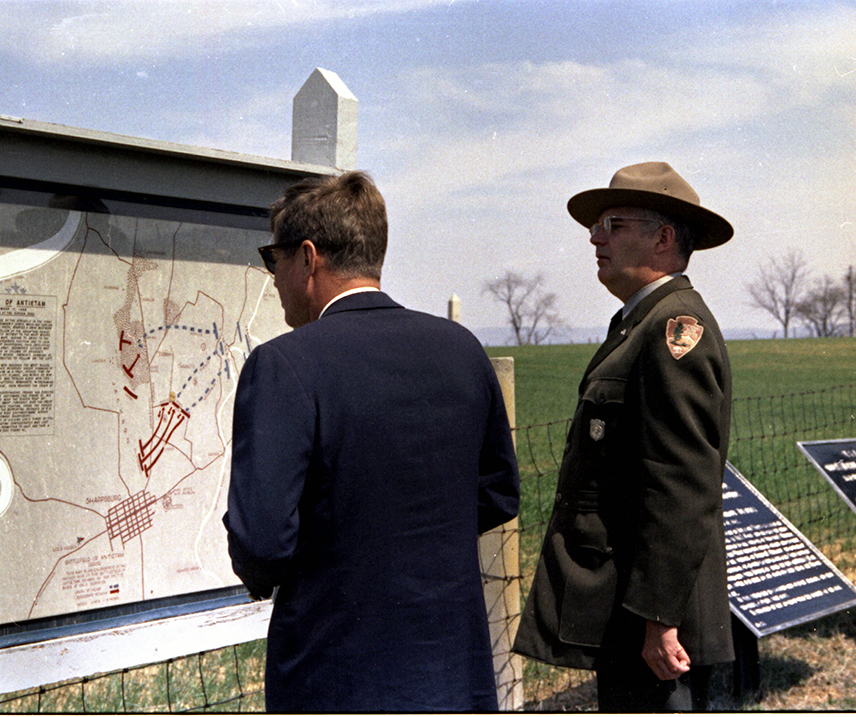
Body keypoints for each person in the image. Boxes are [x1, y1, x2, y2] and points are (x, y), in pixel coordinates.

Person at [223, 170, 520, 712]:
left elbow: (261, 542)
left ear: (308, 258)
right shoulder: (461, 350)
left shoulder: (284, 365)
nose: (274, 279)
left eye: (275, 260)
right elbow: (499, 492)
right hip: (454, 673)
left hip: (337, 675)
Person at [512, 162, 735, 711]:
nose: (594, 237)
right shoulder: (640, 323)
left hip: (656, 628)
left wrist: (660, 620)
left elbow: (682, 485)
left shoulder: (671, 329)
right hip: (634, 613)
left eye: (613, 224)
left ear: (663, 239)